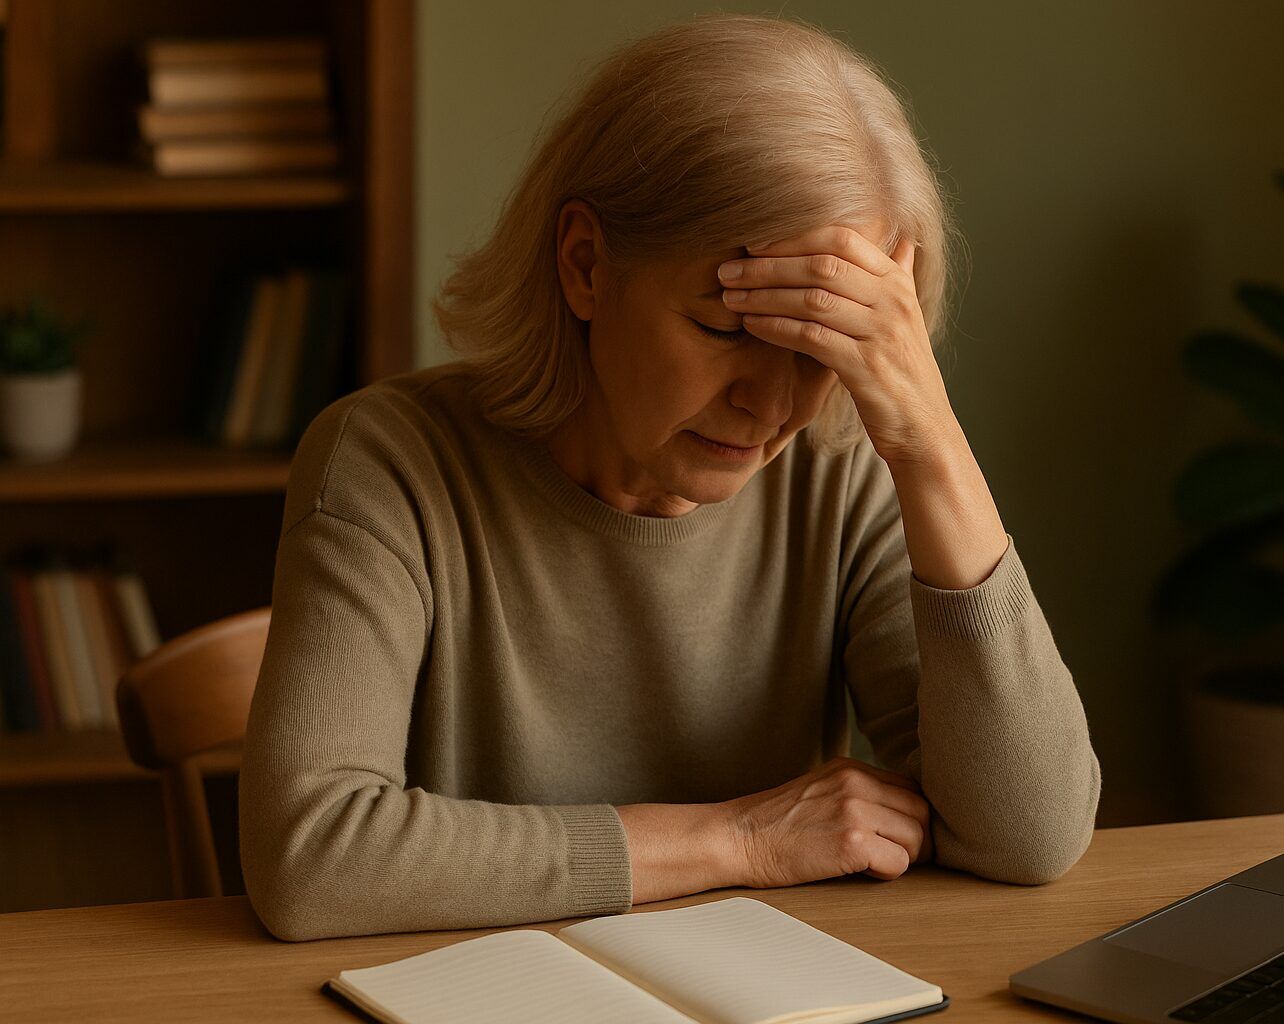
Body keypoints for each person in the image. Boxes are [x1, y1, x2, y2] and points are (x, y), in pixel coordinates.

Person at [239, 12, 1101, 943]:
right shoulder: (389, 462)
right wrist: (735, 841)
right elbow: (313, 859)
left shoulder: (841, 469)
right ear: (585, 267)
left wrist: (930, 443)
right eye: (727, 329)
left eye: (824, 348)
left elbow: (1032, 836)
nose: (772, 404)